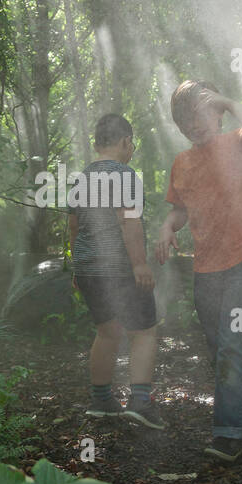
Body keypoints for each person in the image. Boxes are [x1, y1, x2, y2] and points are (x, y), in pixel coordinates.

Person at [154, 81, 242, 461]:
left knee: (234, 345)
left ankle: (228, 435)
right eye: (185, 119)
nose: (195, 123)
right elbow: (180, 209)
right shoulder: (182, 163)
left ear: (218, 114)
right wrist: (166, 227)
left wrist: (229, 101)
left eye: (203, 112)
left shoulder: (239, 140)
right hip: (205, 269)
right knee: (216, 349)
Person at [69, 114, 163, 429]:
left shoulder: (81, 177)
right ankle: (139, 402)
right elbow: (129, 221)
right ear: (125, 142)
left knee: (107, 331)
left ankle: (102, 401)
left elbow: (74, 225)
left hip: (88, 270)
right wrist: (139, 263)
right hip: (120, 269)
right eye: (131, 143)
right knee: (144, 331)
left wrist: (77, 265)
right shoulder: (125, 175)